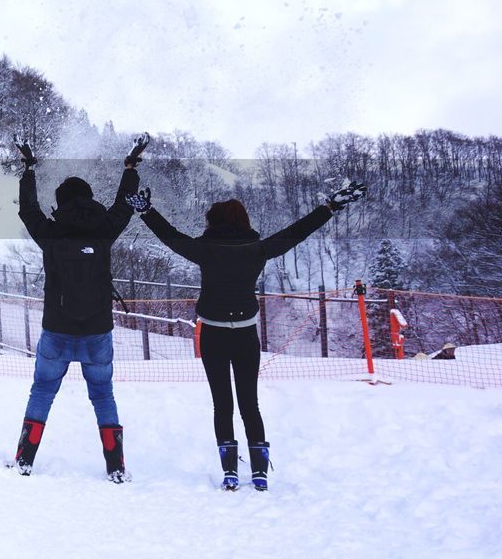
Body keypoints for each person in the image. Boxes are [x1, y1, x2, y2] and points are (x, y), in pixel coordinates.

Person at [124, 180, 367, 490]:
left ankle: (229, 472)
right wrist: (330, 207)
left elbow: (172, 238)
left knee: (222, 404)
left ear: (214, 223)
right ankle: (260, 474)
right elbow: (297, 231)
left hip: (212, 334)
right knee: (249, 403)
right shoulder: (258, 249)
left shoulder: (205, 250)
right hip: (246, 336)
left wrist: (146, 212)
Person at [10, 135, 148, 482]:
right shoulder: (105, 230)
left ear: (62, 201)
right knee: (103, 395)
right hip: (97, 331)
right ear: (88, 198)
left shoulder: (52, 233)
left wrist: (29, 169)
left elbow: (28, 211)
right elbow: (124, 205)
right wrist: (129, 168)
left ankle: (25, 460)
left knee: (42, 391)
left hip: (56, 329)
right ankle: (116, 467)